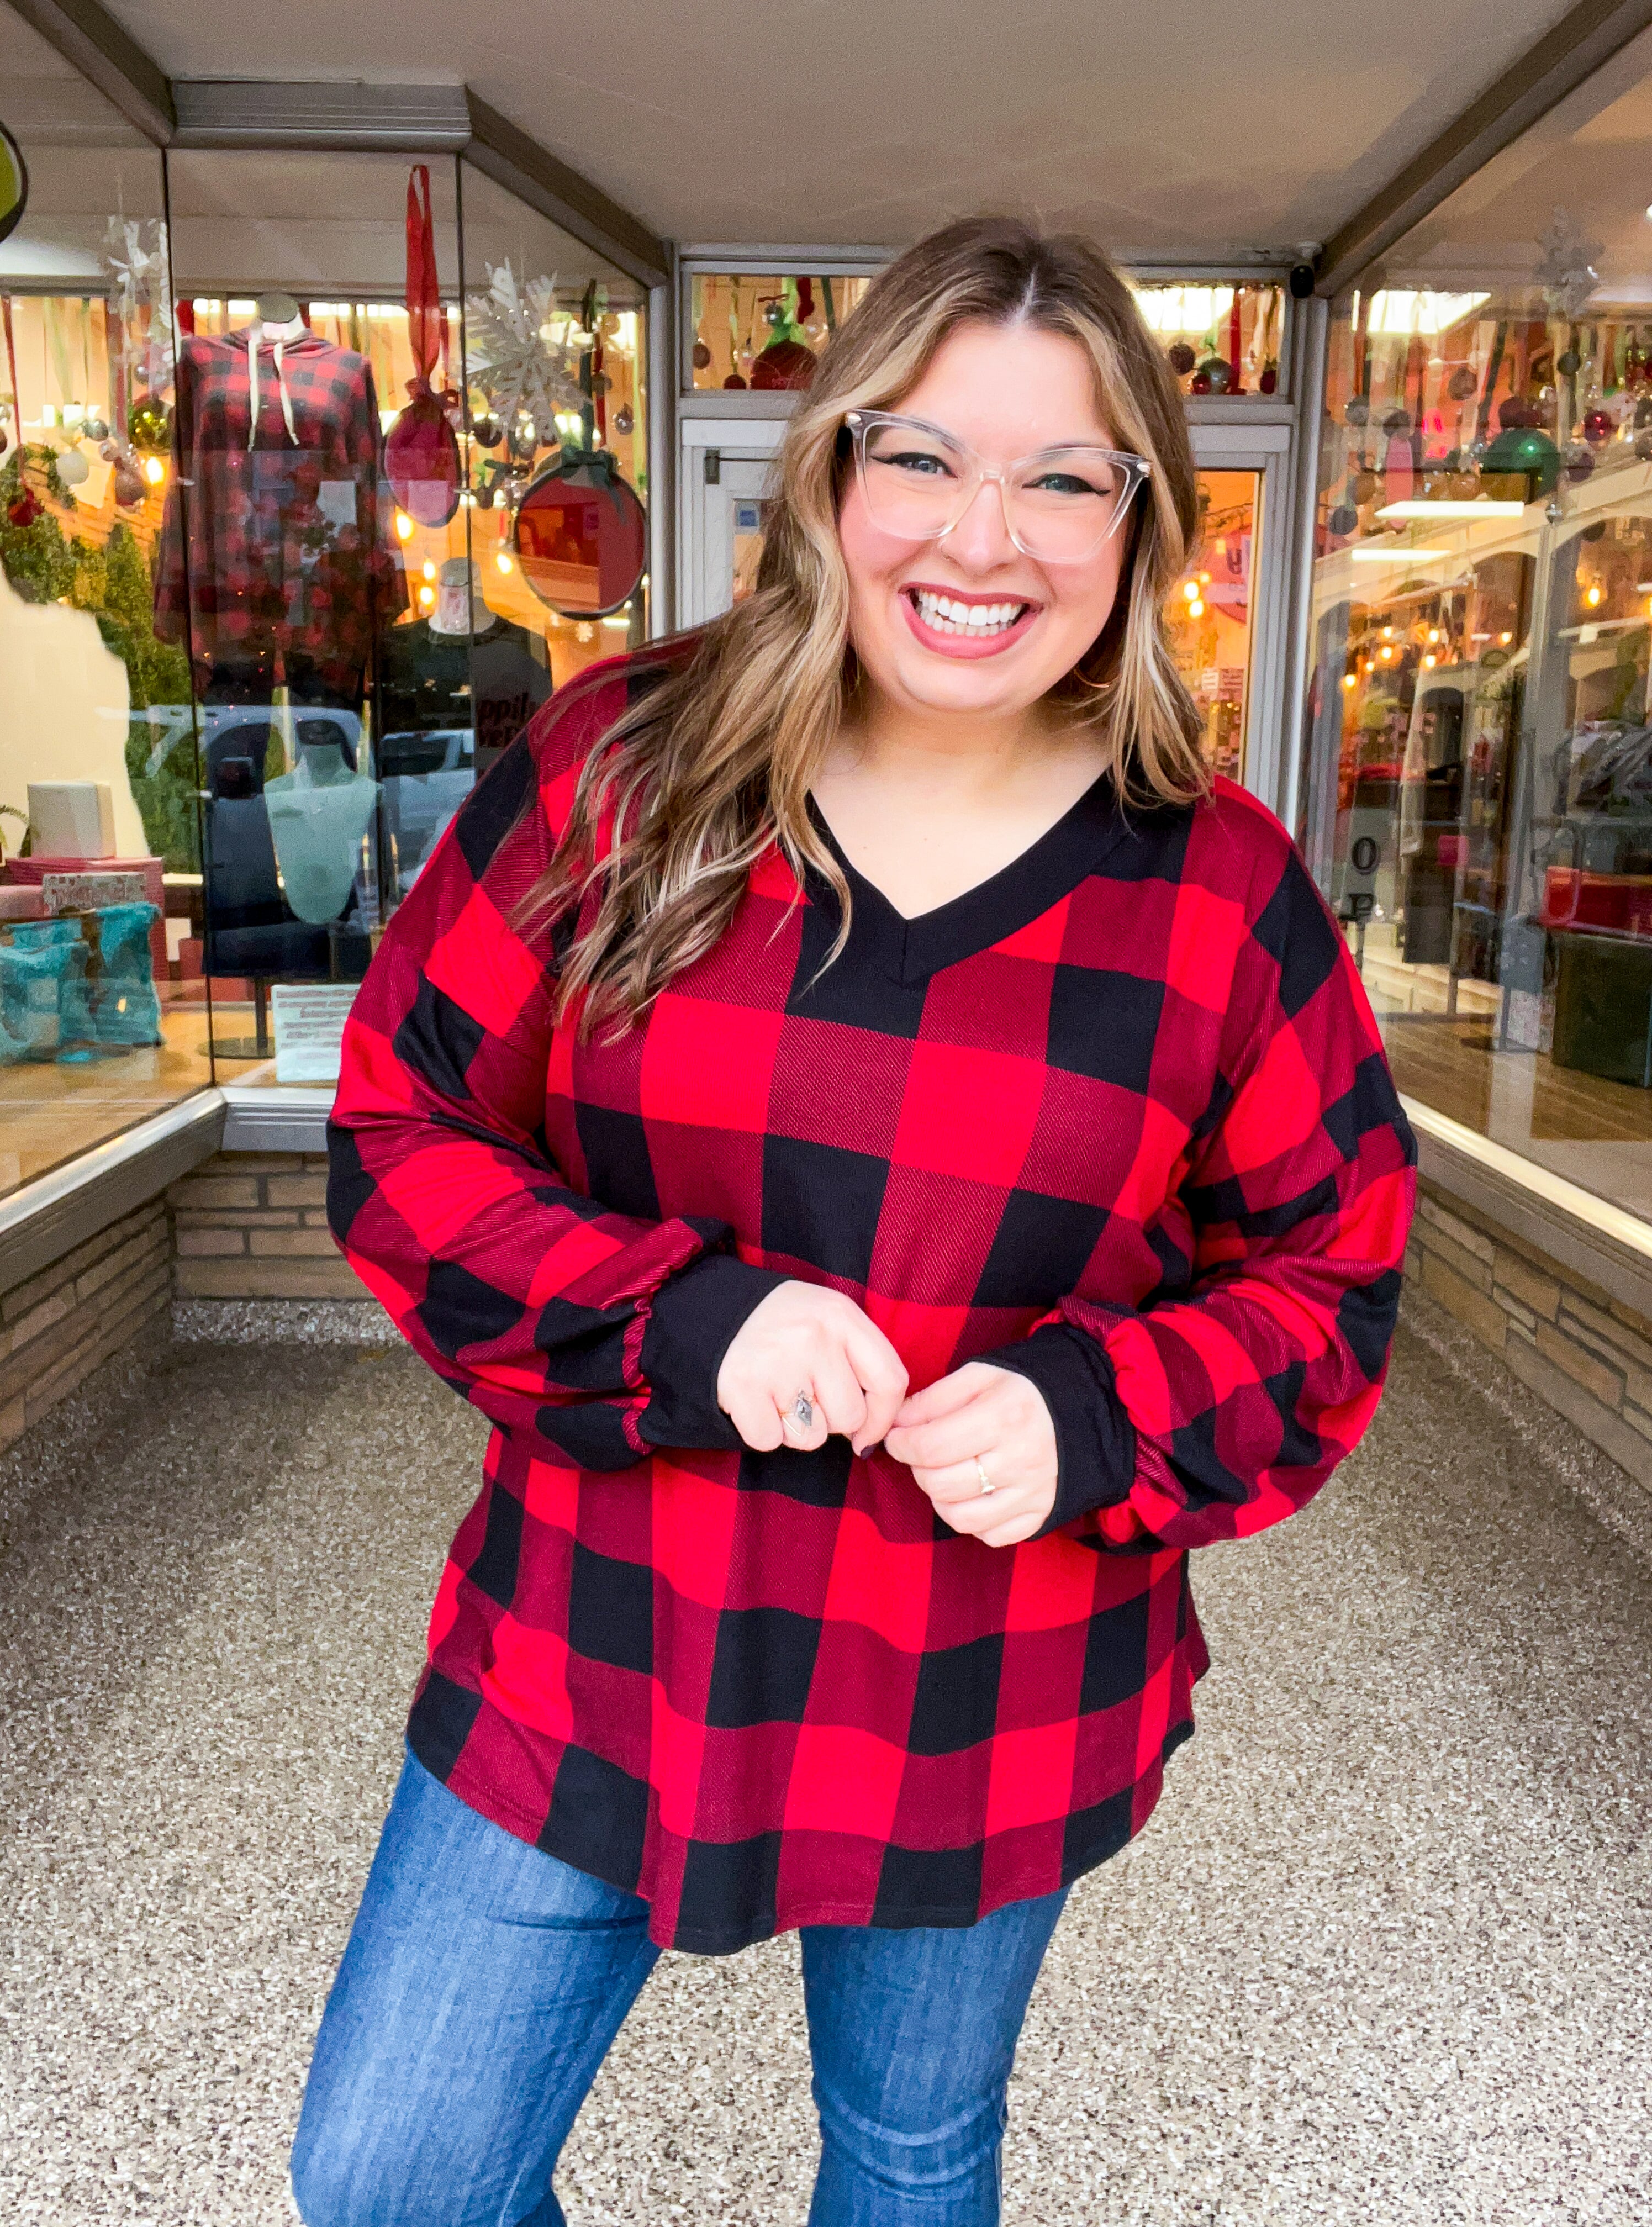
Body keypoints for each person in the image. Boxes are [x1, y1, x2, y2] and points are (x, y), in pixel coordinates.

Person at [294, 217, 1416, 2227]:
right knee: (397, 2177)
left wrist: (1097, 1408)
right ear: (830, 474)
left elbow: (1333, 1282)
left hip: (985, 1679)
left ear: (1141, 523)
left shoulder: (1219, 892)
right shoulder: (618, 767)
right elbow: (402, 1132)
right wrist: (678, 1319)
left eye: (1064, 475)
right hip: (598, 1633)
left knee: (906, 2158)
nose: (983, 537)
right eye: (922, 454)